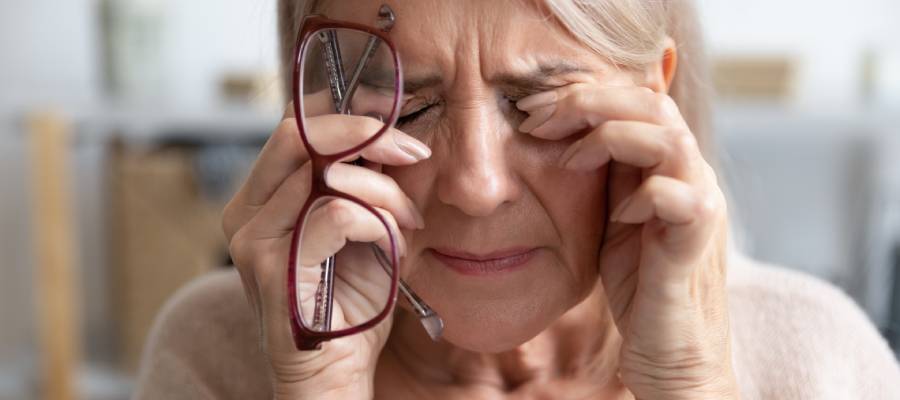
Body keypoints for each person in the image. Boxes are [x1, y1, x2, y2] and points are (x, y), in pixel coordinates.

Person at [134, 0, 900, 398]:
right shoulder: (217, 357)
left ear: (653, 101)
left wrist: (693, 387)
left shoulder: (817, 358)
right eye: (405, 107)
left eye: (540, 106)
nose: (475, 185)